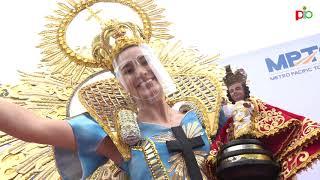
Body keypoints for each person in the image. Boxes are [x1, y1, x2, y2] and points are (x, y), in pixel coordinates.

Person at [0, 16, 226, 179]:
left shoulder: (205, 114)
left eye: (145, 61)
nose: (141, 72)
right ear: (121, 83)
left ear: (158, 65)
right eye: (128, 70)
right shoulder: (114, 137)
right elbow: (33, 128)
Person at [210, 66, 320, 180]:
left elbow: (260, 112)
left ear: (244, 89)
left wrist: (248, 107)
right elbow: (225, 116)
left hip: (256, 140)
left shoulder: (254, 104)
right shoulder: (231, 111)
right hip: (237, 147)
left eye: (237, 88)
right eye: (231, 91)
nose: (235, 92)